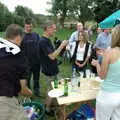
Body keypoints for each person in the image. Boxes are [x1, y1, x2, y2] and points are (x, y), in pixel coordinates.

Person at [0, 24, 32, 120]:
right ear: (18, 37)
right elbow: (23, 89)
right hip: (4, 99)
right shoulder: (19, 56)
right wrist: (30, 93)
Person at [92, 25, 120, 120]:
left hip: (107, 95)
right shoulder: (109, 52)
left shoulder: (110, 51)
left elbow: (102, 76)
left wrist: (97, 64)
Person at [38, 22, 68, 113]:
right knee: (51, 89)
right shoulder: (43, 41)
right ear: (48, 29)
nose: (55, 30)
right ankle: (47, 109)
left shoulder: (47, 40)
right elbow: (52, 56)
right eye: (54, 29)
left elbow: (52, 53)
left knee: (55, 87)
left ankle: (51, 104)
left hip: (53, 68)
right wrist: (62, 46)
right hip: (50, 70)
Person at [21, 18, 41, 96]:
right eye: (28, 27)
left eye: (31, 26)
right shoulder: (22, 36)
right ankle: (29, 93)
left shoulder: (35, 35)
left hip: (37, 62)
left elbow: (39, 46)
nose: (29, 28)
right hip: (27, 63)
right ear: (24, 26)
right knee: (28, 79)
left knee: (36, 78)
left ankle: (36, 92)